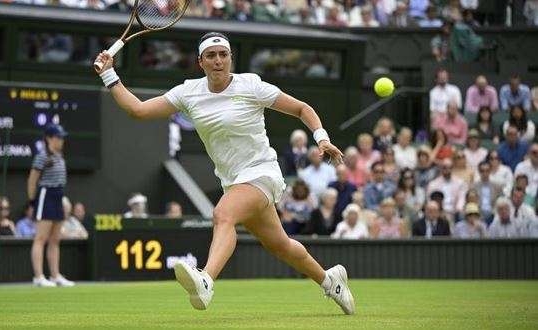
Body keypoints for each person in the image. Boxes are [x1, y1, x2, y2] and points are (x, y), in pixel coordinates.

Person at [94, 32, 354, 313]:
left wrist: (321, 138)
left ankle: (206, 279)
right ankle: (331, 281)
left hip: (262, 172)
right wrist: (109, 75)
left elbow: (302, 109)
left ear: (230, 58)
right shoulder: (188, 92)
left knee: (223, 215)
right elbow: (139, 110)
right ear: (200, 62)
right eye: (211, 56)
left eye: (223, 55)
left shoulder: (251, 85)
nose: (218, 61)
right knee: (280, 246)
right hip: (233, 181)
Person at [27, 123, 75, 287]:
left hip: (58, 196)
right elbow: (32, 180)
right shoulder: (42, 156)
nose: (61, 140)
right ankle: (39, 277)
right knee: (41, 238)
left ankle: (55, 276)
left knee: (55, 239)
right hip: (45, 195)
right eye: (57, 137)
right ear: (48, 138)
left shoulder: (59, 156)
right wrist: (32, 200)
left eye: (61, 137)